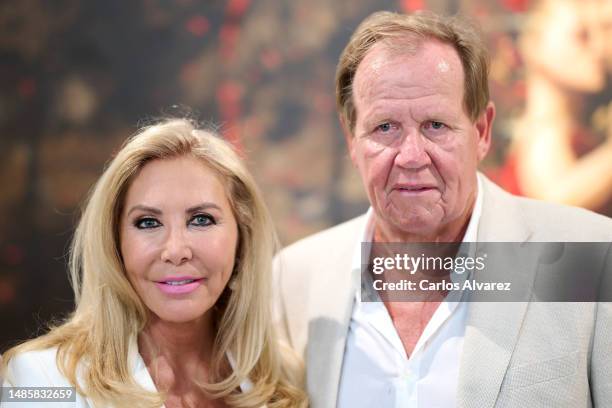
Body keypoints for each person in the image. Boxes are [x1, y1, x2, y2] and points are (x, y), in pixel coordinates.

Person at [273, 10, 612, 408]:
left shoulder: (591, 256)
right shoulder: (293, 278)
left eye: (435, 125)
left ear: (481, 132)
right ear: (352, 139)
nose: (411, 156)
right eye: (385, 127)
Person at [1, 118, 307, 408]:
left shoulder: (280, 377)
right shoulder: (36, 378)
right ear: (115, 241)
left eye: (201, 219)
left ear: (243, 233)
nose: (175, 250)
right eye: (147, 222)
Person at [498, 0, 612, 214]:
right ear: (532, 44)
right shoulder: (545, 131)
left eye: (602, 33)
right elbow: (557, 200)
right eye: (582, 35)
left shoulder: (563, 128)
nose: (599, 49)